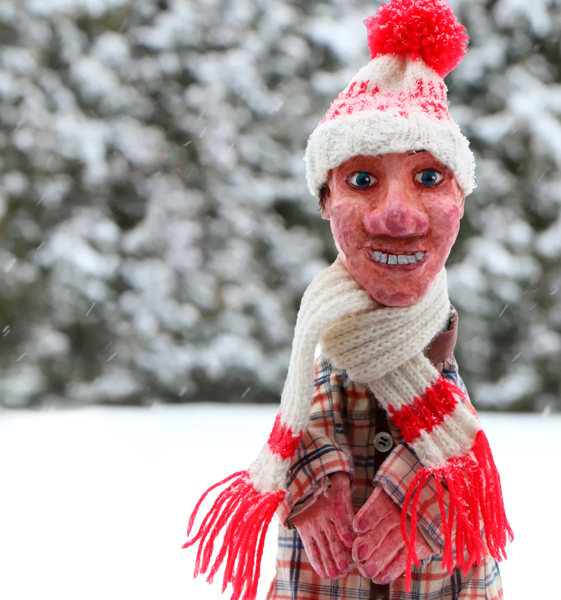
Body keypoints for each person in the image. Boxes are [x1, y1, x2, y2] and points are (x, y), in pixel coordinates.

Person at [184, 2, 510, 599]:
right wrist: (310, 477)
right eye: (362, 180)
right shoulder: (323, 338)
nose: (397, 214)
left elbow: (457, 444)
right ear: (326, 200)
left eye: (429, 177)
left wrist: (420, 489)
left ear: (461, 200)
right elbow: (309, 406)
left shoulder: (437, 362)